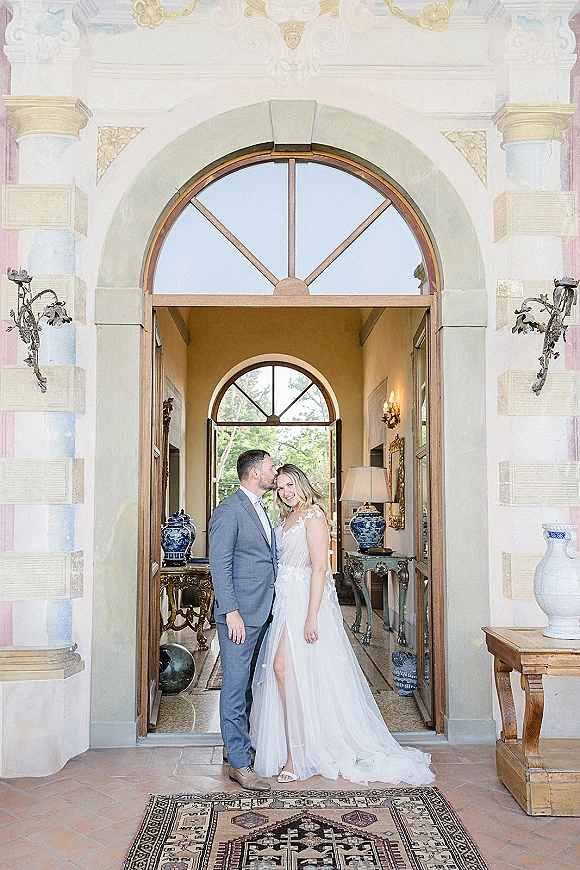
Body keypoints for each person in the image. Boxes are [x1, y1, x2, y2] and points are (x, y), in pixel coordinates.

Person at [251, 463, 435, 786]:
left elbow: (320, 568)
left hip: (305, 604)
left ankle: (298, 753)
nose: (285, 492)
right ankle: (297, 744)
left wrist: (311, 616)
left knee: (286, 669)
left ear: (302, 481)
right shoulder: (286, 517)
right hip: (284, 602)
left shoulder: (314, 516)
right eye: (280, 488)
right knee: (283, 671)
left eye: (290, 484)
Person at [208, 449, 278, 791]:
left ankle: (233, 745)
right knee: (235, 686)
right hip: (239, 615)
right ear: (254, 473)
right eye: (270, 466)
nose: (274, 471)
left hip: (263, 611)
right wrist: (231, 611)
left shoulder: (262, 508)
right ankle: (239, 764)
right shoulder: (228, 511)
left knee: (248, 684)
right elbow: (219, 566)